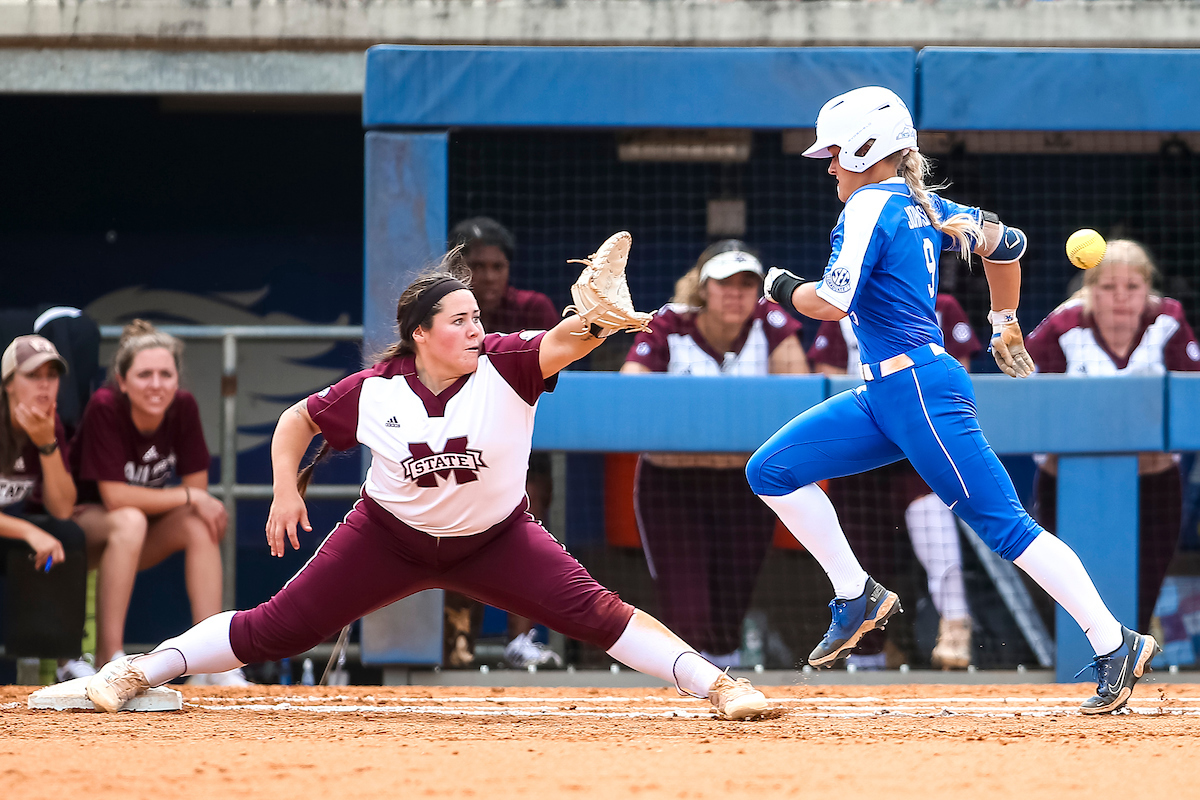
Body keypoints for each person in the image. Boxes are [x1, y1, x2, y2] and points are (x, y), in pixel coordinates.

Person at [84, 234, 769, 720]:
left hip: (497, 538)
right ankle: (139, 667)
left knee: (598, 614)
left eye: (478, 317)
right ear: (420, 333)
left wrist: (596, 319)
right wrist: (286, 489)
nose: (477, 328)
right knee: (277, 629)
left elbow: (567, 339)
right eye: (460, 320)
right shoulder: (376, 389)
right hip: (388, 537)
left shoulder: (507, 363)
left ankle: (720, 686)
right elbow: (296, 419)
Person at [746, 86, 1157, 713]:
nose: (830, 166)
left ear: (867, 148)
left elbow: (828, 305)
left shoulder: (868, 207)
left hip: (916, 389)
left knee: (1005, 525)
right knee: (770, 470)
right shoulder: (922, 202)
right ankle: (856, 594)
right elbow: (1008, 244)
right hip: (887, 391)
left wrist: (776, 284)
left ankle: (1113, 642)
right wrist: (1003, 319)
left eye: (836, 154)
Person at [620, 241, 807, 667]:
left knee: (729, 611)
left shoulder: (772, 323)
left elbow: (799, 398)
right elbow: (631, 392)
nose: (736, 293)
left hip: (744, 489)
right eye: (725, 282)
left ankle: (725, 707)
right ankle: (689, 690)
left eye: (747, 283)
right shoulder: (670, 323)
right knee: (688, 610)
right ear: (703, 287)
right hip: (673, 487)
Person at [1025, 239, 1200, 632]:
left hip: (1152, 481)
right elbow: (1027, 396)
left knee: (1146, 579)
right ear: (1089, 289)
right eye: (1107, 287)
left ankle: (1136, 652)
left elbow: (1192, 395)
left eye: (1132, 287)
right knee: (1066, 579)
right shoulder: (1062, 323)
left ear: (1148, 290)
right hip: (1070, 481)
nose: (1121, 297)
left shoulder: (1168, 319)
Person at [808, 294, 981, 668]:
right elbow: (825, 376)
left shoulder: (942, 305)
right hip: (860, 445)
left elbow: (958, 378)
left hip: (918, 441)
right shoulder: (840, 303)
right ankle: (865, 655)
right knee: (861, 547)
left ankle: (955, 625)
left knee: (933, 525)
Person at [70, 320, 248, 685]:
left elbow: (197, 498)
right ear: (122, 381)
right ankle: (110, 658)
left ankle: (211, 662)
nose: (156, 384)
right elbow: (115, 497)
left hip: (136, 535)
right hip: (84, 535)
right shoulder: (105, 406)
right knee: (131, 518)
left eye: (165, 374)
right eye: (144, 374)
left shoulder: (182, 406)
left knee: (200, 522)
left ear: (177, 379)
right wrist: (187, 495)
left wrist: (192, 498)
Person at [447, 216, 564, 669]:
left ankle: (523, 639)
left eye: (497, 266)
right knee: (455, 529)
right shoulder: (444, 314)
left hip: (523, 450)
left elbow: (552, 369)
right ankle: (458, 643)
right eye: (477, 266)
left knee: (525, 524)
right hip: (457, 446)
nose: (489, 276)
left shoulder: (533, 307)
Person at [0, 335, 91, 680]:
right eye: (32, 376)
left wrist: (46, 445)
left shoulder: (48, 425)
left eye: (51, 376)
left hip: (8, 534)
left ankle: (65, 662)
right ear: (8, 385)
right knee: (44, 536)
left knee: (67, 535)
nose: (44, 385)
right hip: (14, 528)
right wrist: (28, 531)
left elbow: (62, 508)